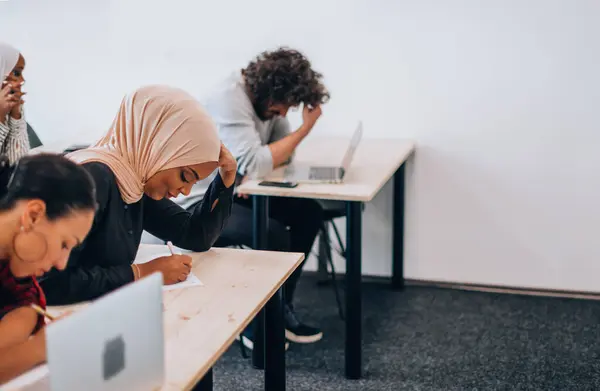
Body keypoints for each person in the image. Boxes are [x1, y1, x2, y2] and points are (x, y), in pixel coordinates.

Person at [174, 47, 330, 346]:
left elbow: (280, 155)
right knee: (269, 232)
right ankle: (253, 321)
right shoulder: (228, 98)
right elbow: (258, 163)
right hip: (200, 200)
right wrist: (306, 128)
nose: (284, 113)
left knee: (309, 213)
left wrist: (269, 154)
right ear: (268, 90)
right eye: (283, 106)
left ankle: (280, 307)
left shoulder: (266, 102)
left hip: (238, 189)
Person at [40, 85, 237, 305]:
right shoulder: (94, 178)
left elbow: (195, 236)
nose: (186, 191)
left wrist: (226, 179)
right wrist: (142, 273)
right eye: (184, 176)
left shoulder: (133, 180)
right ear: (160, 146)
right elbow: (48, 284)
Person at [0, 154, 96, 384]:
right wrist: (38, 348)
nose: (61, 264)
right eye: (65, 244)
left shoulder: (24, 299)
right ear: (33, 215)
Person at [0, 42, 29, 163]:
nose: (22, 80)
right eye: (17, 73)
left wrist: (15, 115)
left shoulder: (9, 104)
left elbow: (18, 163)